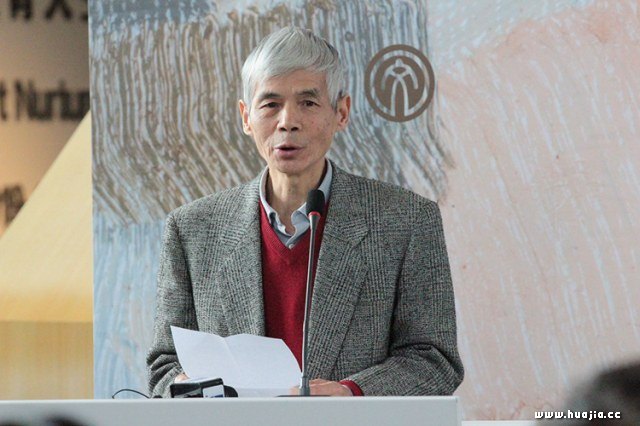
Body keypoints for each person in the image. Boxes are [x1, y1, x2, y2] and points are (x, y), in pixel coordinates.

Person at [147, 26, 463, 397]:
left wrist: (351, 393)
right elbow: (164, 366)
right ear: (245, 117)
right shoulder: (192, 230)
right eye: (270, 104)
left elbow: (434, 361)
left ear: (341, 112)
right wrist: (186, 387)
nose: (288, 121)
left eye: (308, 103)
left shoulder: (406, 220)